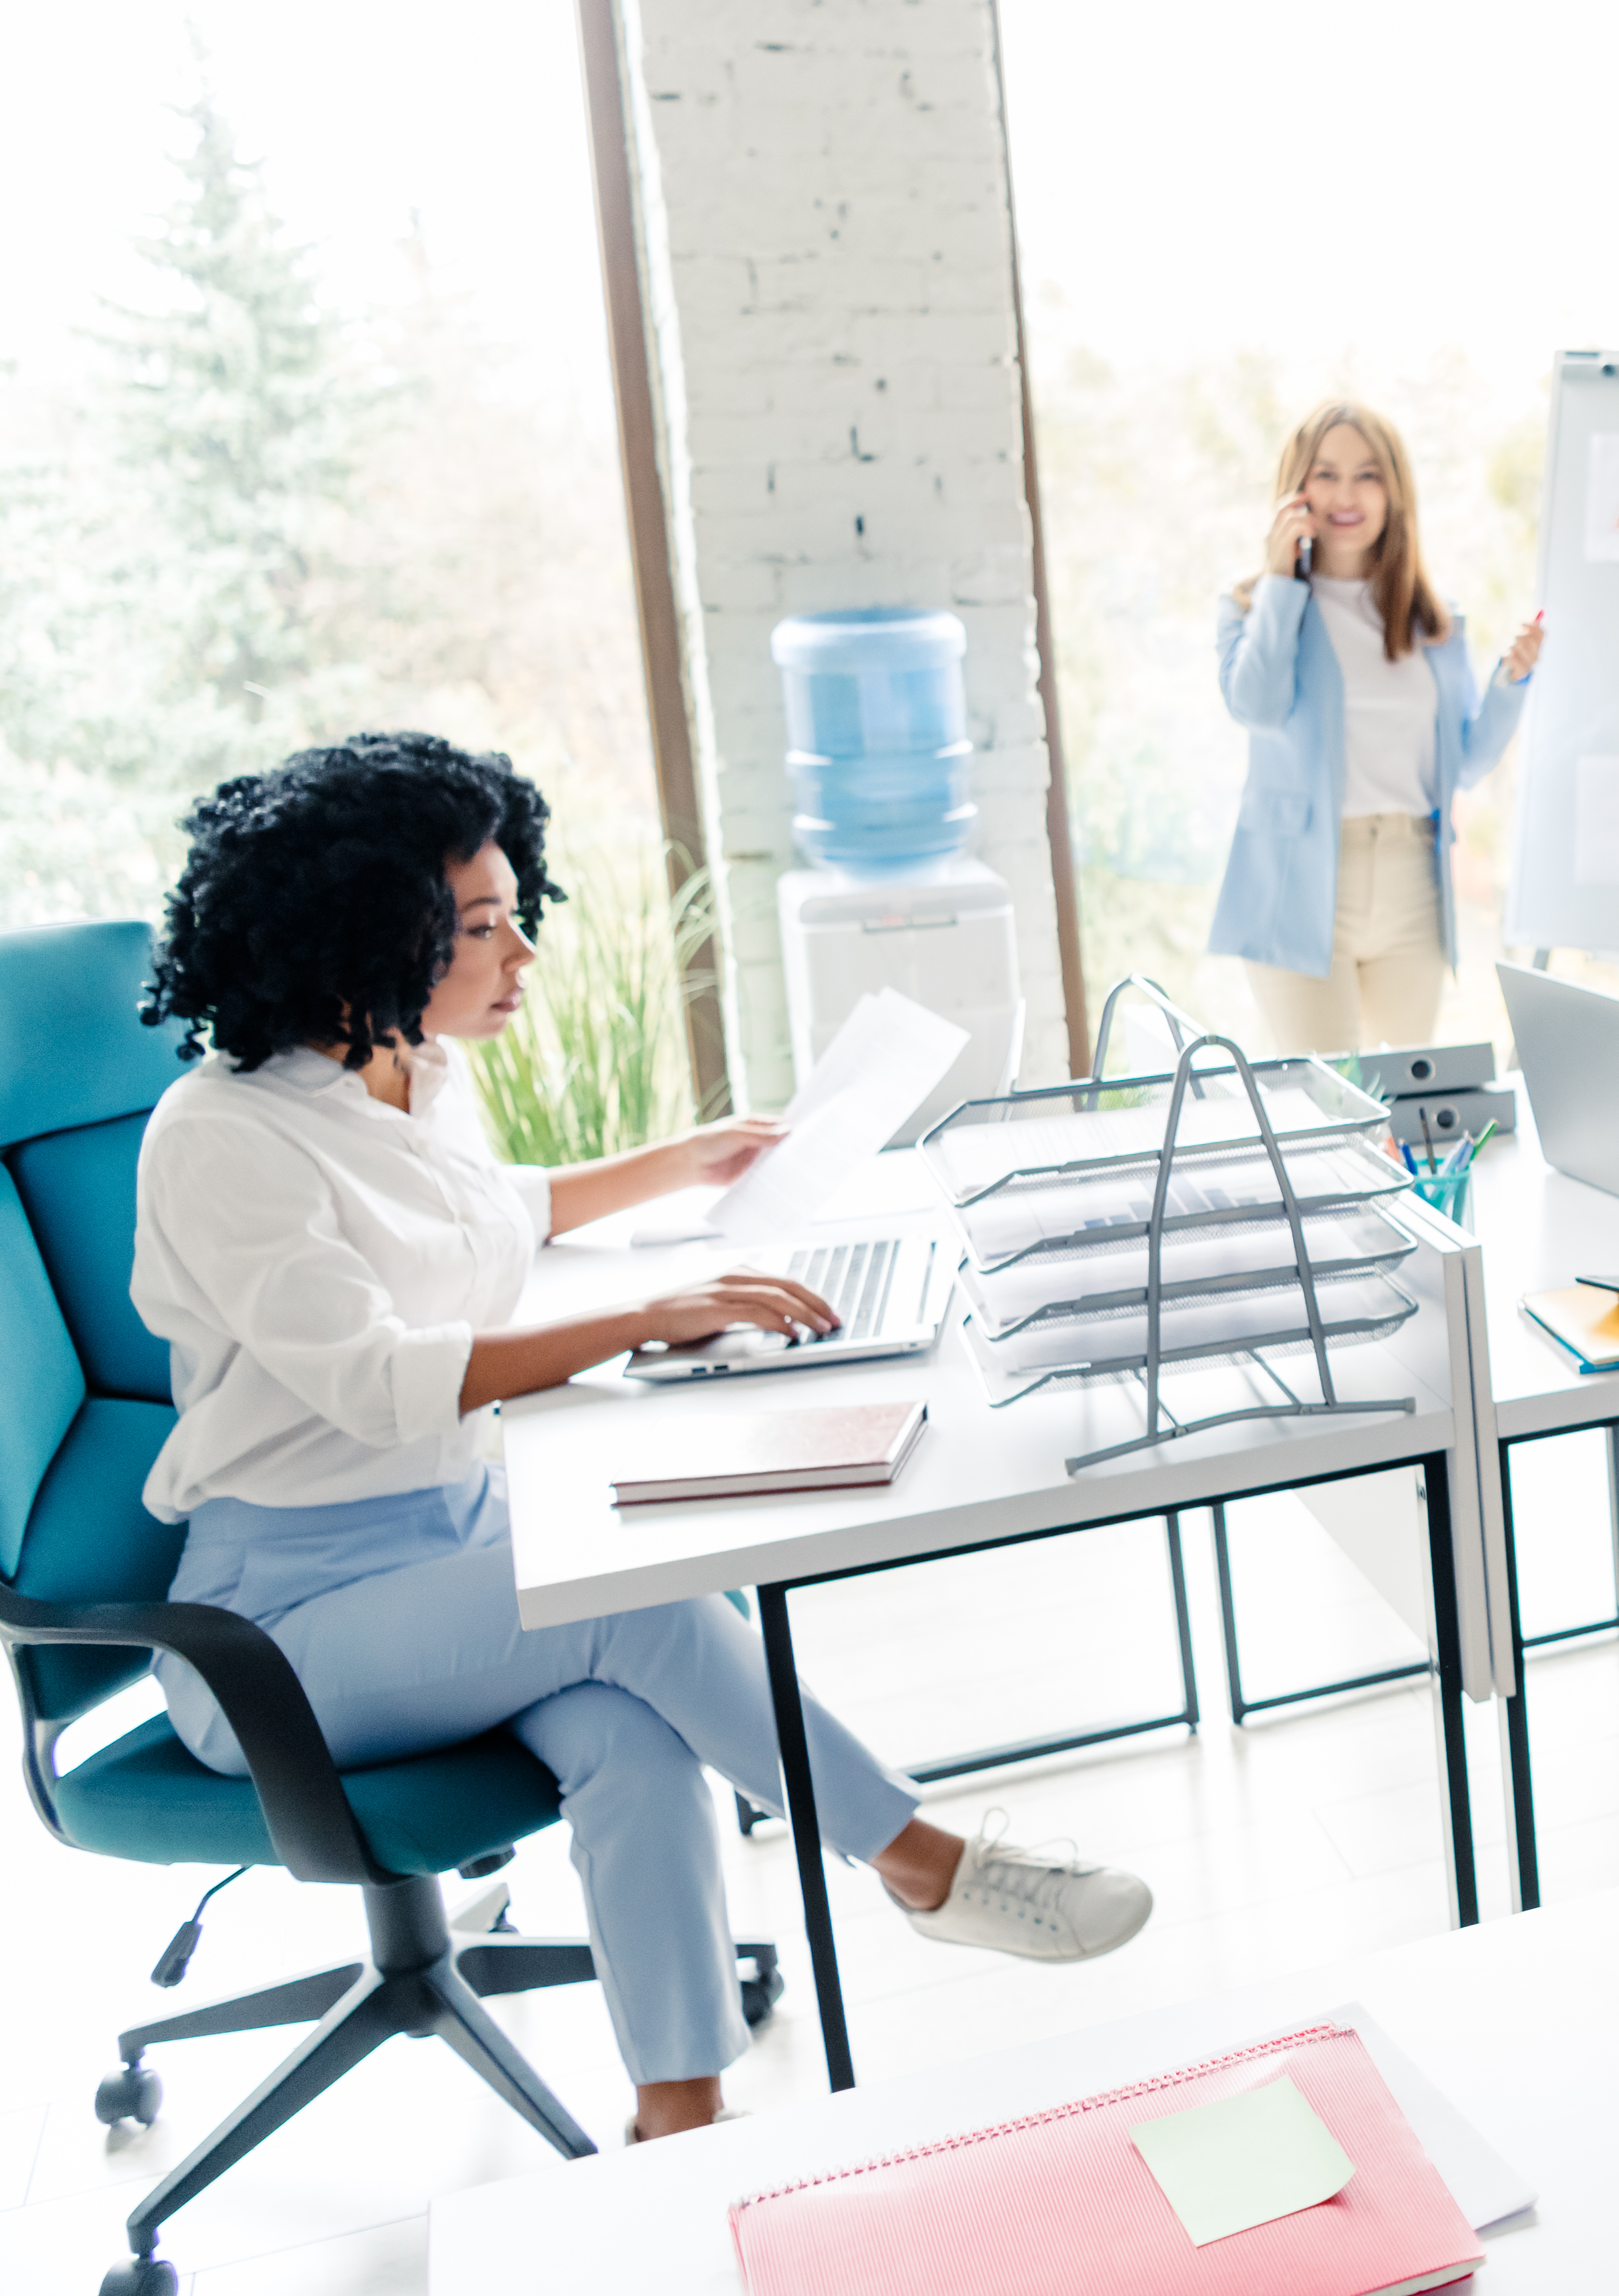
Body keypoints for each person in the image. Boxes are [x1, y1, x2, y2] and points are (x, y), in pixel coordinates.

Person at [130, 734, 1154, 2144]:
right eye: (478, 926)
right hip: (279, 1637)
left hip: (450, 1540)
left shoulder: (409, 1074)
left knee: (632, 1729)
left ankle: (679, 2116)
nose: (520, 954)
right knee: (646, 1607)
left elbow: (495, 1217)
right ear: (366, 931)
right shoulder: (220, 1136)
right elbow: (381, 1379)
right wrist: (638, 1319)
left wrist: (686, 1161)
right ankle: (922, 1860)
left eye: (509, 912)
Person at [1210, 399, 1545, 1057]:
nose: (1346, 494)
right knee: (1330, 1111)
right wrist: (1282, 580)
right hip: (1298, 883)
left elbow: (1467, 764)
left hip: (1411, 881)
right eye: (1325, 474)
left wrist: (1513, 682)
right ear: (1296, 488)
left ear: (1394, 490)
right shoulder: (1251, 606)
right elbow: (1257, 707)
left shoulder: (1433, 621)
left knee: (1400, 1111)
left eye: (1367, 475)